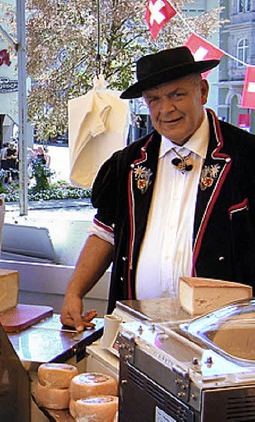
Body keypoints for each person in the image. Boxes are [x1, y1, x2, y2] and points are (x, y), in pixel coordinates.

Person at [60, 46, 255, 331]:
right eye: (154, 99)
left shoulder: (247, 157)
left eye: (177, 94)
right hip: (138, 334)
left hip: (226, 339)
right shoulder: (127, 164)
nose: (166, 109)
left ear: (201, 91)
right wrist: (74, 292)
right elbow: (105, 233)